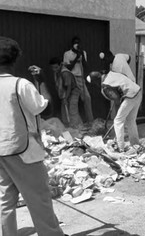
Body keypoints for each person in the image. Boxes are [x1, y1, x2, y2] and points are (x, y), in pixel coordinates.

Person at [0, 37, 66, 235]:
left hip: (1, 152)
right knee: (39, 199)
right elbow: (46, 110)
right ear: (15, 59)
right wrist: (41, 81)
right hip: (24, 152)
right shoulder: (20, 85)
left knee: (5, 201)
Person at [87, 70, 142, 152]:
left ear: (96, 81)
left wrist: (118, 103)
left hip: (130, 96)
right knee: (130, 120)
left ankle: (120, 147)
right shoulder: (111, 73)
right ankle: (135, 144)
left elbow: (116, 98)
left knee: (118, 121)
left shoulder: (105, 86)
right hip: (137, 92)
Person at [63, 36, 93, 123]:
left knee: (87, 98)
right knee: (73, 101)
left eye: (78, 43)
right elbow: (69, 67)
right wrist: (76, 58)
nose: (77, 45)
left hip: (81, 78)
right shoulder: (67, 54)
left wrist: (82, 55)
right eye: (75, 43)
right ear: (72, 44)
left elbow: (86, 66)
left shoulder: (83, 53)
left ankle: (90, 120)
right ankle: (73, 122)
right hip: (72, 78)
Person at [49, 57, 83, 128]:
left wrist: (66, 98)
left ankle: (77, 127)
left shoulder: (65, 73)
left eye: (56, 67)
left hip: (73, 91)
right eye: (52, 68)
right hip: (66, 92)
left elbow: (69, 87)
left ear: (60, 65)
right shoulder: (57, 73)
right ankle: (67, 127)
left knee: (72, 110)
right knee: (64, 110)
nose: (54, 69)